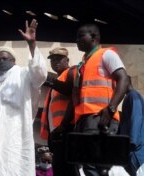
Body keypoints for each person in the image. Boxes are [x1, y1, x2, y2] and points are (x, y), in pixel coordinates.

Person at [0, 19, 47, 176]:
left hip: (13, 137)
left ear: (14, 60)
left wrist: (32, 45)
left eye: (5, 58)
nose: (1, 61)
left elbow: (40, 75)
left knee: (12, 168)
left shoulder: (23, 74)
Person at [72, 24, 129, 175]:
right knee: (87, 164)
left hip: (100, 117)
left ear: (94, 37)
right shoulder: (84, 62)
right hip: (85, 119)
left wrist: (111, 109)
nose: (76, 40)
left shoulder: (106, 54)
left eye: (80, 36)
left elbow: (123, 79)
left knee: (97, 165)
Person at [40, 47, 78, 176]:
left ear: (67, 60)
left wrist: (63, 126)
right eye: (52, 60)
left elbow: (72, 93)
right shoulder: (58, 79)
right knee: (59, 168)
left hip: (67, 129)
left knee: (69, 168)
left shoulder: (72, 71)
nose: (55, 62)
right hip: (56, 132)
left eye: (59, 59)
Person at [119, 76, 144, 176]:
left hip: (136, 149)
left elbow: (136, 117)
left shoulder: (133, 96)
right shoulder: (130, 96)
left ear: (126, 82)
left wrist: (132, 141)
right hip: (132, 148)